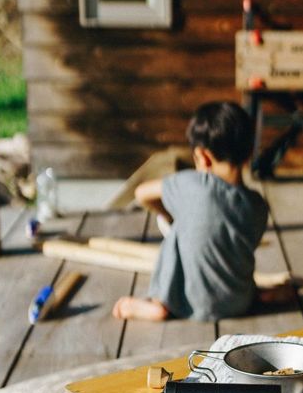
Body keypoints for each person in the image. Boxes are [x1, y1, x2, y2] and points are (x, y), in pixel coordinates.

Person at [112, 101, 269, 322]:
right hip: (239, 303)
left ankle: (159, 303)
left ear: (202, 157)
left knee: (179, 231)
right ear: (247, 155)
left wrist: (169, 215)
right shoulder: (258, 205)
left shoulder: (192, 185)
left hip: (187, 304)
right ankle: (259, 295)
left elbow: (141, 193)